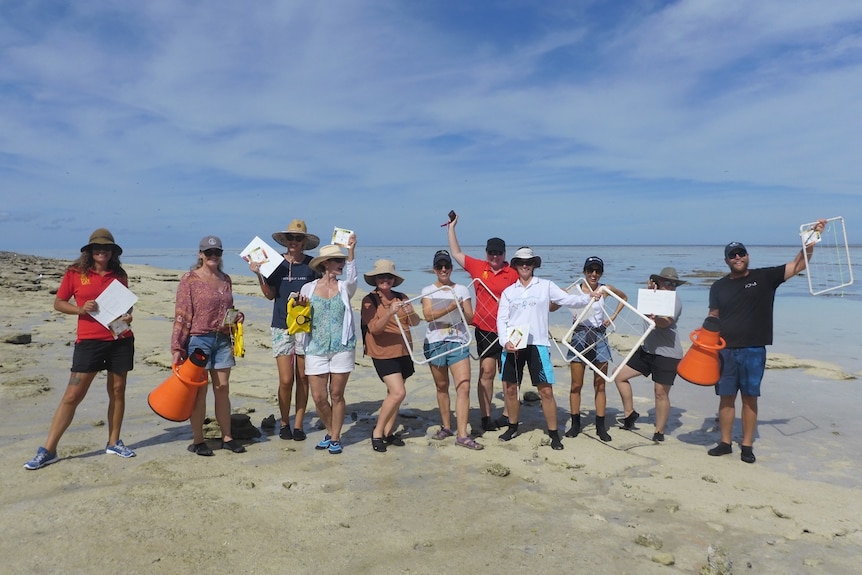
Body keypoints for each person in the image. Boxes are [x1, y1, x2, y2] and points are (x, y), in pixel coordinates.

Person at [707, 219, 827, 464]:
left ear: (747, 256)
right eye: (732, 255)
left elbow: (799, 264)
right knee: (726, 397)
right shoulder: (718, 286)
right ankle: (725, 442)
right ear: (726, 260)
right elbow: (713, 317)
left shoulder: (765, 277)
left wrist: (811, 239)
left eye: (740, 253)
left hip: (754, 349)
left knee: (750, 398)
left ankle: (747, 445)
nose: (737, 257)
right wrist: (703, 345)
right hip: (725, 351)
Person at [24, 228, 137, 470]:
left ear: (113, 252)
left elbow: (126, 308)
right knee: (73, 395)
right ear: (90, 250)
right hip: (89, 342)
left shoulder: (119, 274)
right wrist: (80, 309)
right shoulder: (75, 273)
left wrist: (127, 318)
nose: (102, 251)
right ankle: (48, 449)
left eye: (107, 248)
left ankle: (114, 441)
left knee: (118, 391)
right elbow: (58, 303)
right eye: (98, 247)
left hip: (120, 340)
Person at [497, 247, 597, 450]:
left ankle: (553, 433)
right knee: (510, 388)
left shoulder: (546, 286)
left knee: (546, 391)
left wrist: (590, 297)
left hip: (539, 344)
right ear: (515, 265)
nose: (525, 266)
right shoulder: (509, 292)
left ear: (534, 265)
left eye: (529, 262)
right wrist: (504, 341)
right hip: (514, 344)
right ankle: (512, 426)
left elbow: (568, 299)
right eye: (521, 262)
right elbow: (502, 319)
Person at [172, 235, 246, 456]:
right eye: (209, 252)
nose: (213, 256)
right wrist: (177, 347)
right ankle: (198, 440)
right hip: (198, 340)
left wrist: (237, 316)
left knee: (222, 389)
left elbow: (228, 309)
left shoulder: (226, 279)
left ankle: (227, 437)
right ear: (200, 254)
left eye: (217, 252)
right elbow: (182, 314)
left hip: (222, 340)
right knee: (200, 393)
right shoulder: (190, 280)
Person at [446, 214, 518, 432]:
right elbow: (456, 253)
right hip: (485, 329)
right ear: (486, 253)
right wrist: (451, 228)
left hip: (510, 330)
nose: (494, 256)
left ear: (505, 254)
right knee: (486, 371)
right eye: (491, 252)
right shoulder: (479, 267)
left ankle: (507, 414)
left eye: (498, 252)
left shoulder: (513, 273)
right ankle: (486, 416)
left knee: (508, 375)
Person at [249, 219, 320, 441]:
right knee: (286, 380)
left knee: (303, 378)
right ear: (284, 240)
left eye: (298, 238)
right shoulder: (274, 264)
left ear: (304, 242)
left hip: (305, 327)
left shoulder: (312, 265)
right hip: (281, 326)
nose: (294, 241)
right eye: (290, 238)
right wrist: (258, 273)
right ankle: (284, 422)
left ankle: (298, 425)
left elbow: (320, 295)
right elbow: (270, 295)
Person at [298, 237, 358, 455]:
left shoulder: (344, 288)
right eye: (336, 260)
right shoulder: (308, 288)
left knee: (336, 394)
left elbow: (353, 277)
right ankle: (333, 432)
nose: (340, 264)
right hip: (315, 347)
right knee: (319, 397)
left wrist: (351, 251)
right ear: (325, 264)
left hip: (342, 347)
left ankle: (334, 438)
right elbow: (298, 316)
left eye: (342, 260)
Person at [614, 267, 686, 442]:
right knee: (619, 375)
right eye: (667, 282)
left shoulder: (674, 301)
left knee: (660, 392)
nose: (671, 286)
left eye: (674, 284)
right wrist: (649, 292)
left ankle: (659, 431)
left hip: (668, 354)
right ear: (658, 282)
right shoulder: (649, 296)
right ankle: (629, 414)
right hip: (647, 350)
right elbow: (644, 309)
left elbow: (665, 323)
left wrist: (656, 318)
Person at [420, 250, 483, 450]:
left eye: (447, 266)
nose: (444, 269)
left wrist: (460, 307)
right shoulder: (427, 290)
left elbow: (471, 318)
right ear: (434, 269)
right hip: (436, 342)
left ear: (451, 268)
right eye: (440, 266)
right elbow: (428, 316)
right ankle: (447, 426)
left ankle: (463, 435)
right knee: (441, 386)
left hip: (459, 341)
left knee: (463, 386)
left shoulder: (462, 289)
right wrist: (450, 307)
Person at [361, 259, 421, 453]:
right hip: (382, 352)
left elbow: (414, 322)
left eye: (388, 277)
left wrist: (409, 311)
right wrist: (390, 313)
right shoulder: (369, 300)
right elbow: (374, 329)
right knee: (398, 392)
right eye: (381, 277)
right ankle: (377, 432)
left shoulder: (401, 296)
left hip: (403, 350)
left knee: (394, 394)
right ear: (375, 279)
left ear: (394, 280)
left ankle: (388, 431)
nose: (385, 280)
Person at [565, 256, 627, 442]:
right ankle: (576, 424)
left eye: (597, 271)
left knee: (600, 384)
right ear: (584, 271)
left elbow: (624, 297)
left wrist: (612, 317)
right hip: (579, 336)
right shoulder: (575, 290)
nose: (594, 274)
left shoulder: (604, 289)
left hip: (599, 337)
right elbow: (555, 303)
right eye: (590, 270)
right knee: (576, 385)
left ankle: (601, 426)